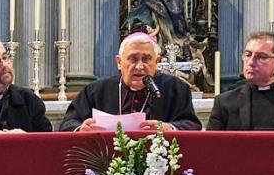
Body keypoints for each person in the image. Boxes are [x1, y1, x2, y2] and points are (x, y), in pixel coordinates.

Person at [60, 32, 202, 132]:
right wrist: (82, 129)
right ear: (119, 62)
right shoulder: (96, 91)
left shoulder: (175, 88)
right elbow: (68, 124)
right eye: (133, 59)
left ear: (156, 61)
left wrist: (169, 128)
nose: (139, 66)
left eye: (146, 59)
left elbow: (192, 125)